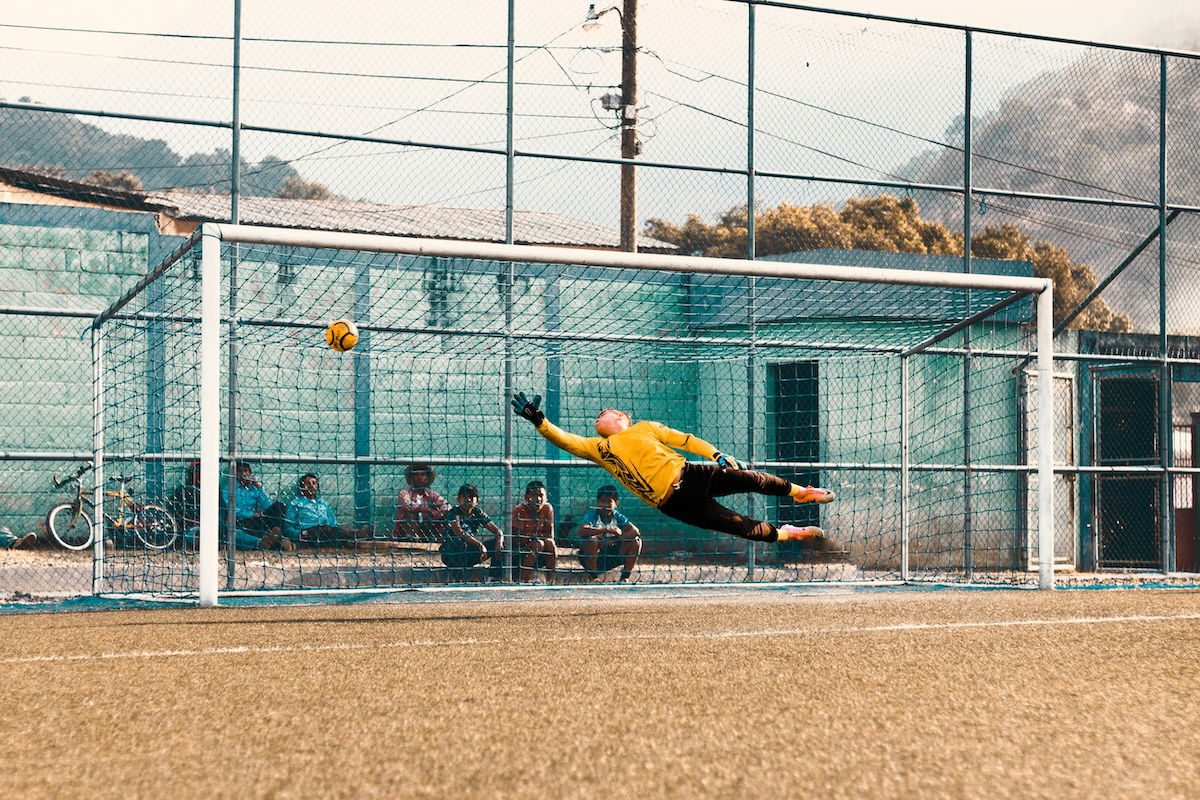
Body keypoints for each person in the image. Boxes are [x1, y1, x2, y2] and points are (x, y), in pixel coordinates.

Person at [511, 392, 835, 545]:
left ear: (622, 419)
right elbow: (565, 440)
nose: (599, 416)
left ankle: (800, 492)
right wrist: (539, 421)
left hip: (692, 475)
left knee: (752, 479)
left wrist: (717, 455)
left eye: (604, 412)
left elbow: (687, 440)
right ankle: (786, 533)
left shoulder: (645, 428)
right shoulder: (600, 448)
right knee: (738, 525)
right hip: (672, 504)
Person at [280, 473, 388, 551]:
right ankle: (358, 534)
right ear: (302, 487)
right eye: (308, 483)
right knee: (326, 530)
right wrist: (299, 534)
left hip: (325, 533)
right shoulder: (295, 504)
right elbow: (287, 527)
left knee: (331, 531)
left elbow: (333, 524)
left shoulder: (323, 504)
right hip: (307, 533)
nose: (312, 486)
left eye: (314, 483)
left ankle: (352, 538)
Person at [577, 485, 641, 582]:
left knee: (636, 541)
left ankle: (625, 577)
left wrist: (612, 540)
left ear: (616, 503)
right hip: (592, 557)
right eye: (603, 501)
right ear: (598, 502)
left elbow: (635, 531)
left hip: (611, 556)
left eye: (609, 502)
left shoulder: (617, 516)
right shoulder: (592, 514)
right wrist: (606, 529)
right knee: (592, 539)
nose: (605, 505)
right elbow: (581, 531)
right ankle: (593, 577)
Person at [220, 462, 287, 550]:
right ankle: (268, 542)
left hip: (257, 521)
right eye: (240, 471)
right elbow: (231, 509)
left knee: (279, 506)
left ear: (250, 473)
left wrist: (259, 488)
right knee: (232, 533)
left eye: (246, 471)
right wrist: (251, 514)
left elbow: (268, 505)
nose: (243, 474)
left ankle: (273, 536)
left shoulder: (254, 488)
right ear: (234, 473)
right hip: (240, 521)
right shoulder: (228, 488)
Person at [442, 484, 505, 573]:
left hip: (470, 551)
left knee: (502, 543)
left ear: (477, 500)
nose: (468, 500)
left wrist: (498, 543)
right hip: (452, 553)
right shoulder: (453, 512)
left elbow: (498, 531)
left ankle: (494, 577)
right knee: (460, 543)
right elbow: (459, 532)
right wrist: (479, 545)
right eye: (464, 497)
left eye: (471, 497)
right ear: (458, 499)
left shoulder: (477, 512)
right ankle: (457, 579)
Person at [511, 480, 556, 583]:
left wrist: (532, 536)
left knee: (550, 543)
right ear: (526, 498)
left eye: (541, 495)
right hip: (519, 553)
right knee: (539, 544)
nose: (538, 499)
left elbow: (550, 535)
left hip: (539, 551)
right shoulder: (519, 510)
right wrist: (537, 538)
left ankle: (550, 580)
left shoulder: (547, 508)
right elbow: (518, 539)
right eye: (534, 495)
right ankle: (521, 580)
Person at [391, 463, 450, 540]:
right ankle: (411, 538)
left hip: (425, 528)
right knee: (412, 512)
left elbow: (446, 504)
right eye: (416, 475)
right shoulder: (405, 492)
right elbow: (409, 506)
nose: (419, 477)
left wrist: (440, 512)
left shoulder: (431, 494)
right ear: (412, 477)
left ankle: (437, 539)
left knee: (445, 516)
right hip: (405, 530)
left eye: (422, 475)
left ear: (427, 479)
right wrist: (429, 511)